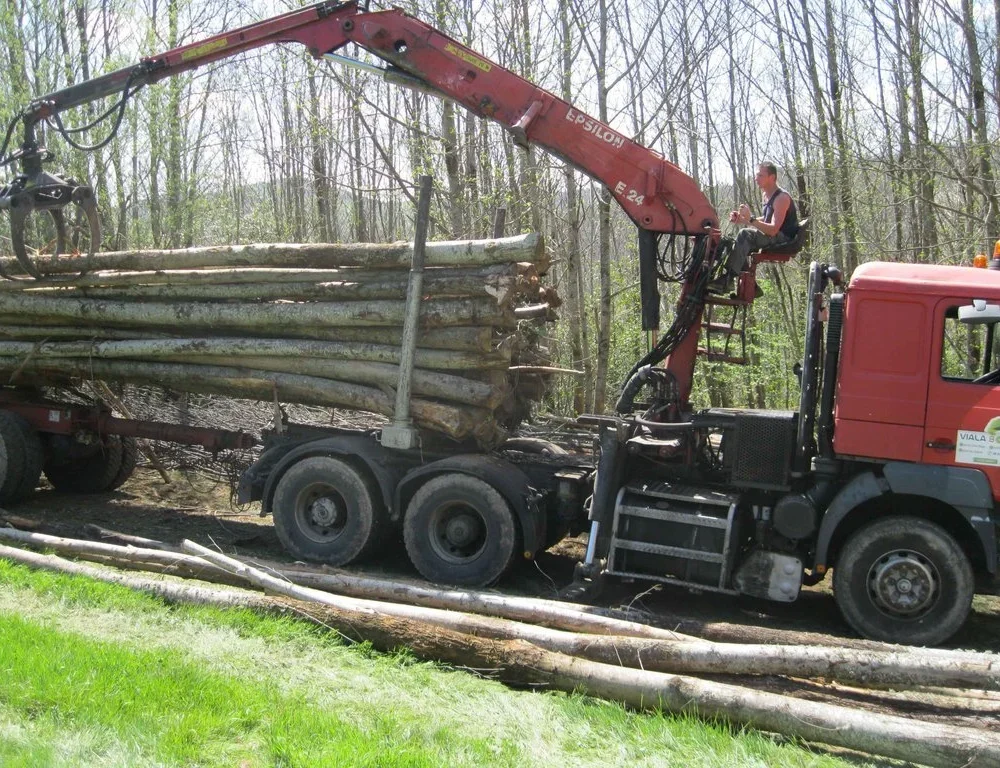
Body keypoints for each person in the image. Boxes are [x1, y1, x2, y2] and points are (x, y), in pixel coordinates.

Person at [709, 161, 799, 295]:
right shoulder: (766, 195)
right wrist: (743, 219)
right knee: (735, 243)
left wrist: (750, 219)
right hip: (774, 234)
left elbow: (773, 229)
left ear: (772, 177)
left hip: (784, 238)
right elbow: (767, 219)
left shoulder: (781, 198)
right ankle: (753, 287)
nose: (756, 179)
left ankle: (727, 280)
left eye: (760, 175)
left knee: (745, 235)